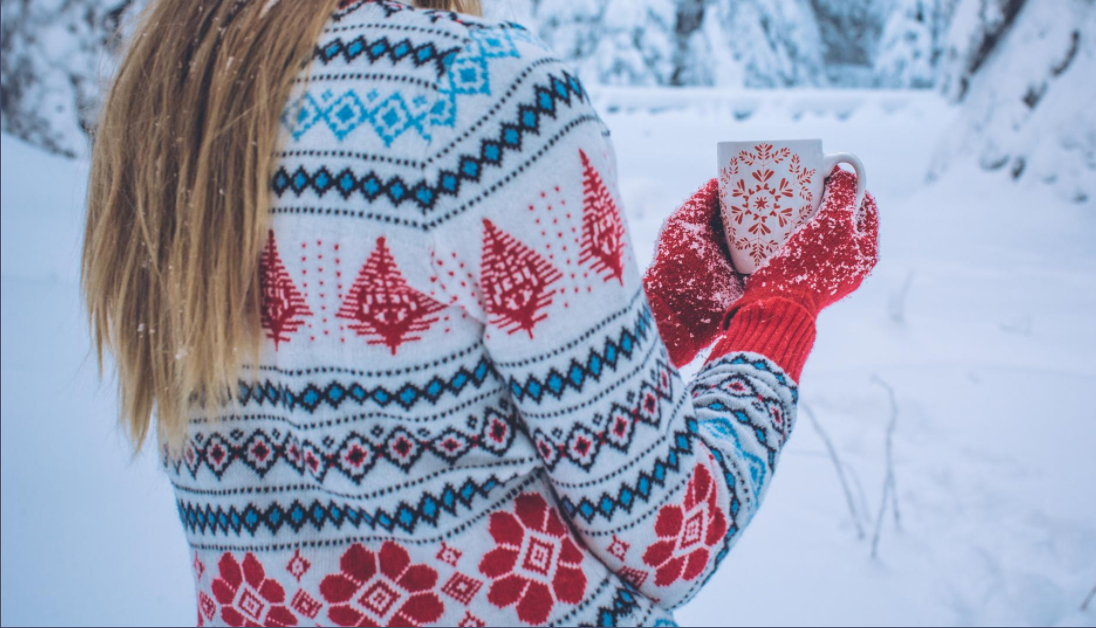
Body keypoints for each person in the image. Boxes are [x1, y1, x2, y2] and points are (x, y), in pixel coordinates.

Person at [81, 0, 879, 625]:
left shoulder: (171, 95)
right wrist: (784, 303)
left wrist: (667, 306)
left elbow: (420, 419)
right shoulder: (479, 93)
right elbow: (668, 539)